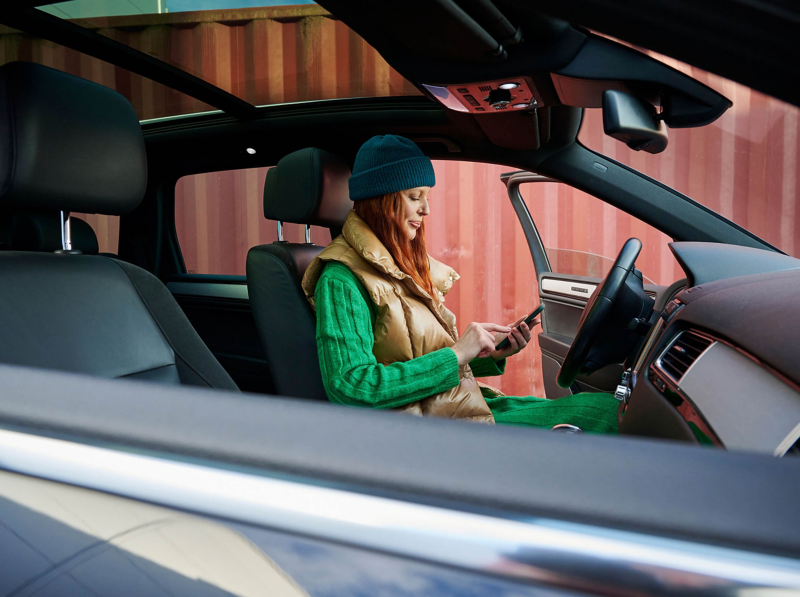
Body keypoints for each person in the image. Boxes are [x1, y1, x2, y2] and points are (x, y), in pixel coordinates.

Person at [302, 135, 619, 432]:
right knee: (607, 417)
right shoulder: (341, 278)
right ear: (382, 201)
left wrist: (487, 354)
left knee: (609, 406)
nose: (426, 209)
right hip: (431, 429)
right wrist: (456, 354)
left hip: (456, 406)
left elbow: (418, 362)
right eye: (415, 197)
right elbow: (351, 386)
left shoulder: (395, 267)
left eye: (426, 197)